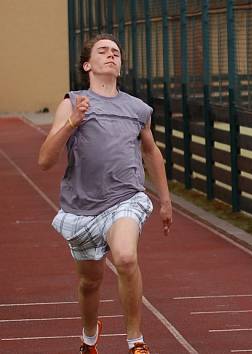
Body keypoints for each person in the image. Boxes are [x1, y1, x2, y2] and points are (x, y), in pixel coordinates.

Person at [38, 33, 172, 354]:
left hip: (126, 197)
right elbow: (45, 160)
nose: (112, 55)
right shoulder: (72, 102)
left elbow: (152, 153)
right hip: (82, 207)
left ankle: (135, 341)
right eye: (103, 51)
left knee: (126, 257)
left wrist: (165, 200)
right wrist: (72, 122)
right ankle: (89, 336)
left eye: (116, 51)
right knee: (90, 282)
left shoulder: (137, 109)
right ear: (88, 65)